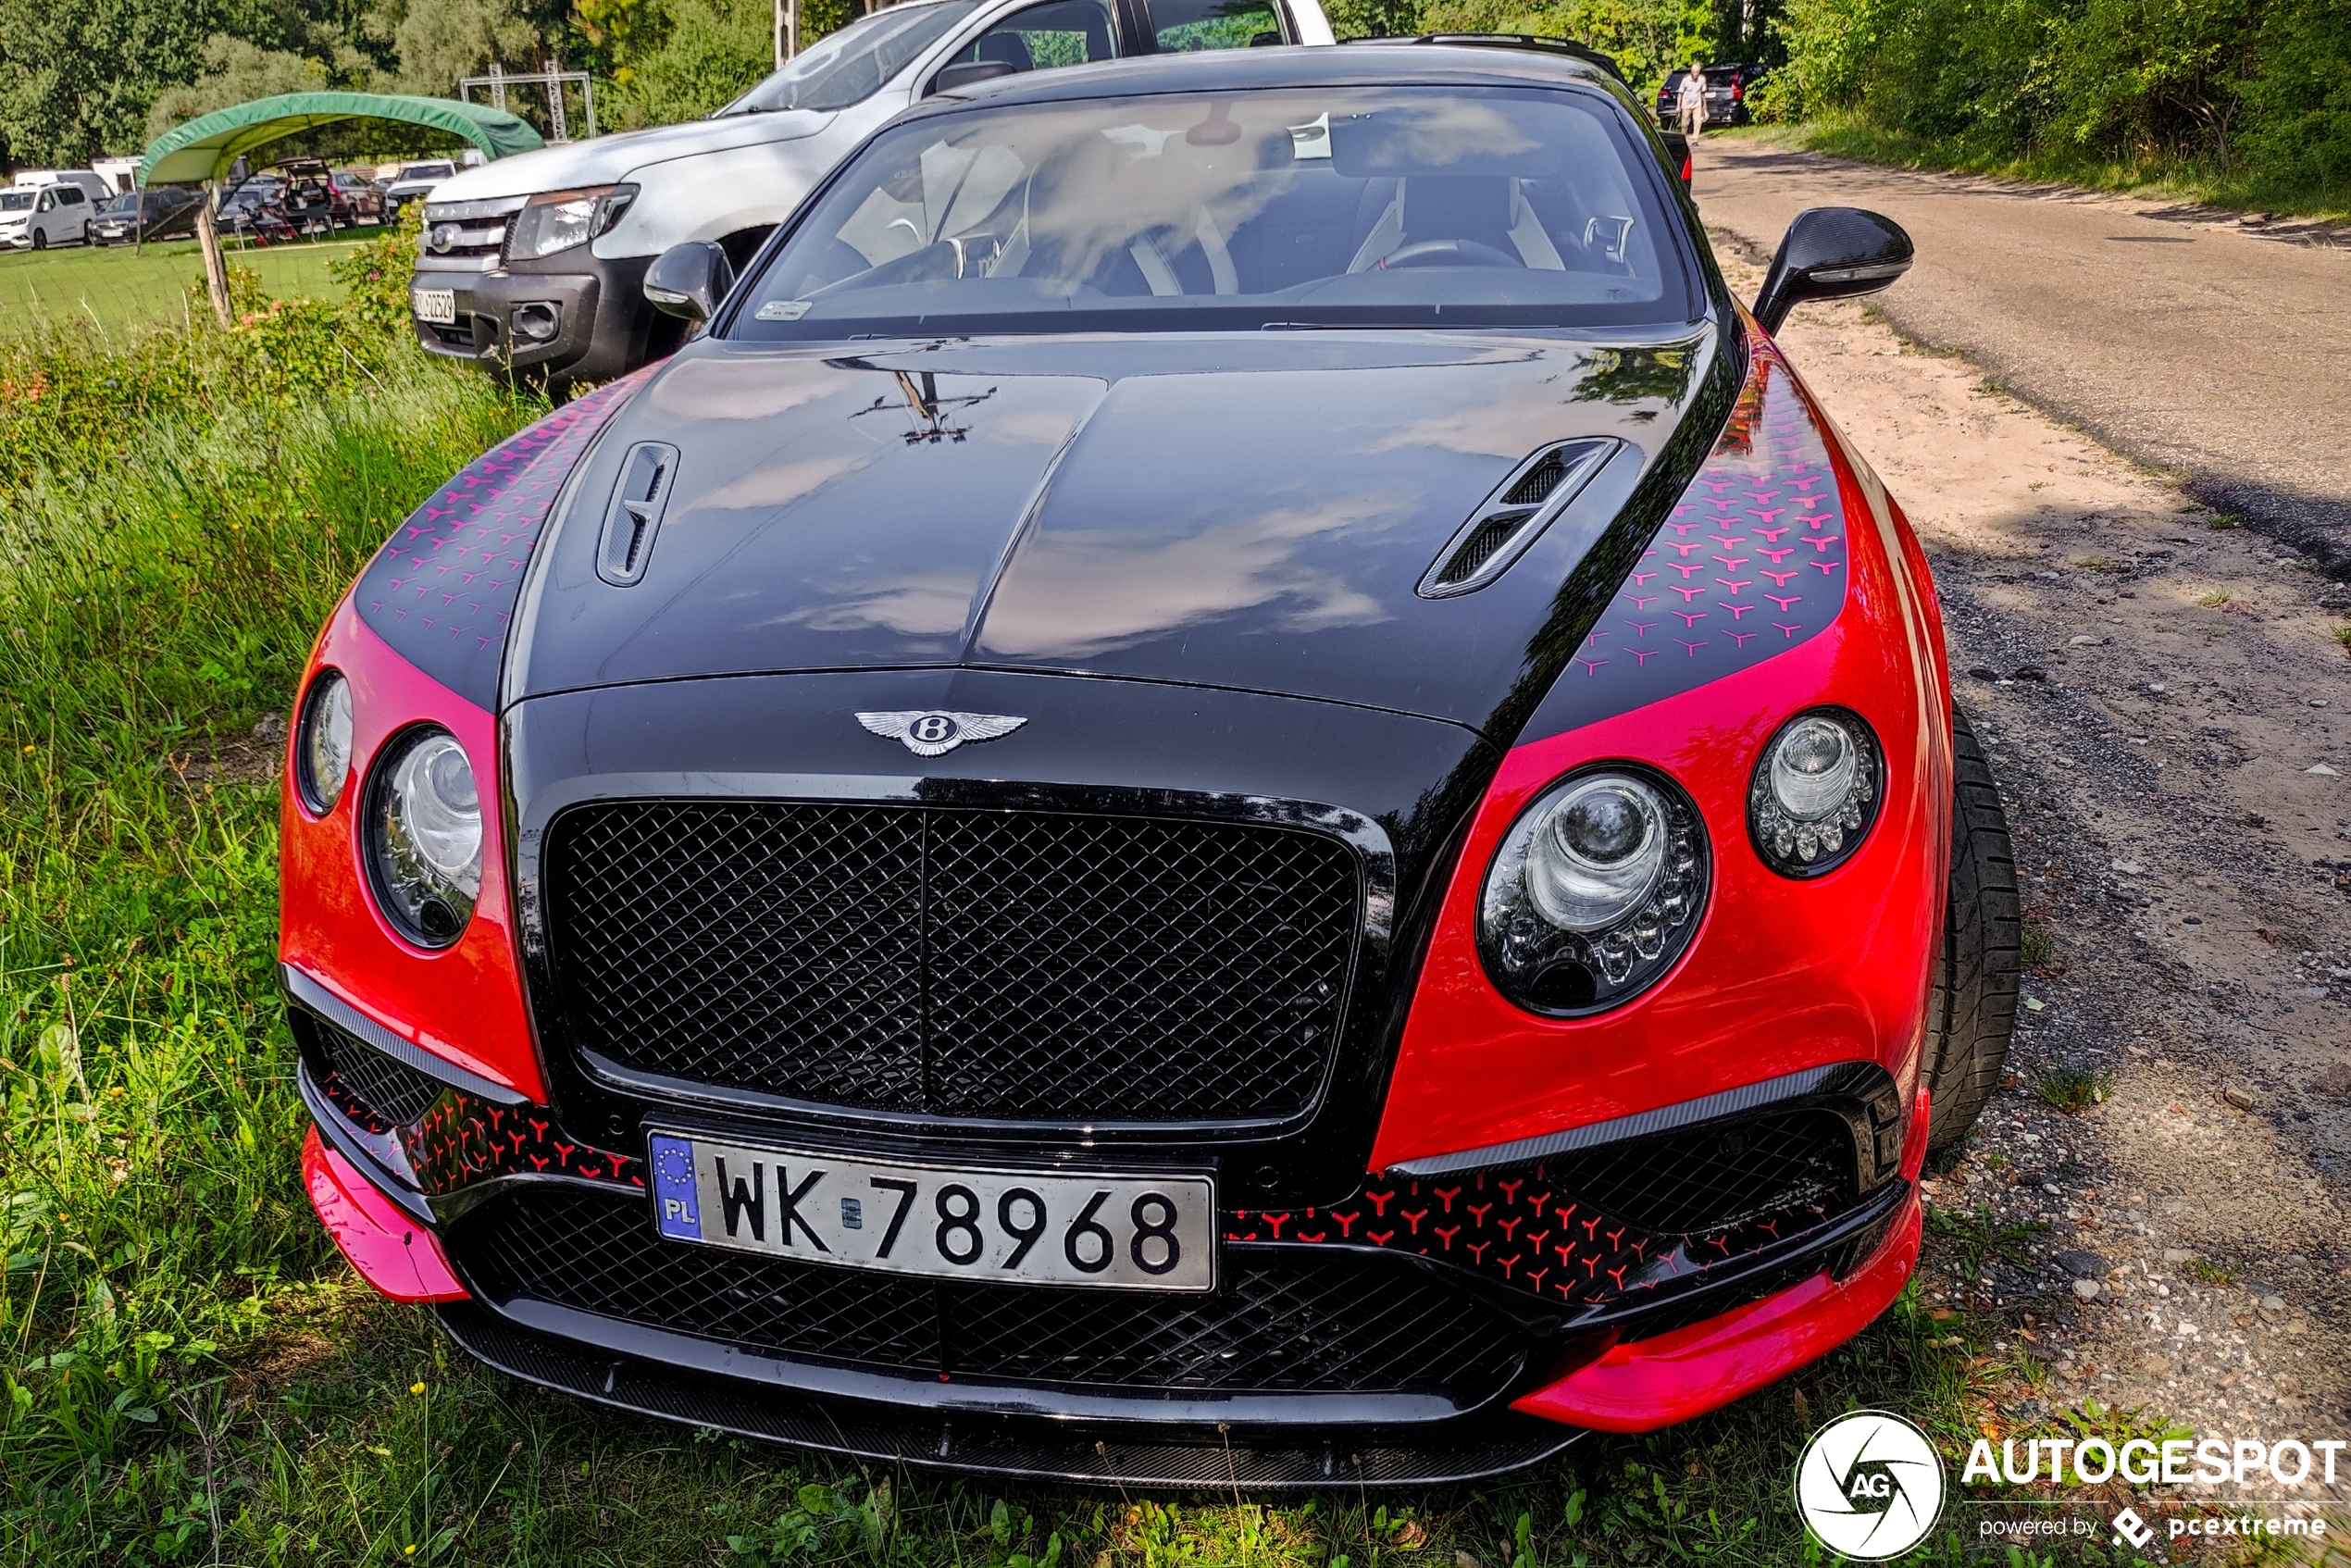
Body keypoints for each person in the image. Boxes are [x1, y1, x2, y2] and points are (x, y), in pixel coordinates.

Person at [1677, 57, 1708, 139]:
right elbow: (1680, 93)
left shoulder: (1702, 80)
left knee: (1698, 122)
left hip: (1697, 104)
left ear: (1699, 72)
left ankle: (1695, 138)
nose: (1695, 74)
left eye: (1697, 72)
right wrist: (1678, 106)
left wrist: (1704, 105)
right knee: (1685, 123)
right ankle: (1683, 137)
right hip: (1686, 105)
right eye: (1694, 72)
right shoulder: (1685, 80)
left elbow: (1703, 93)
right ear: (1691, 72)